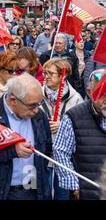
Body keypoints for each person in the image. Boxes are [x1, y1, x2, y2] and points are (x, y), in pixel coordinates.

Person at [0, 73, 52, 200]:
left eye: (38, 104)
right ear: (13, 100)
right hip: (0, 192)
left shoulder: (39, 116)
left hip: (32, 190)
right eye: (32, 105)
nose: (36, 110)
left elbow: (47, 148)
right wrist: (12, 151)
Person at [53, 69, 106, 200]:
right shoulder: (73, 117)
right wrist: (74, 185)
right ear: (89, 92)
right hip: (88, 191)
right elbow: (60, 151)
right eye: (101, 94)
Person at [40, 59, 83, 200]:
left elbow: (82, 127)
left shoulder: (75, 98)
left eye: (50, 73)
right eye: (45, 72)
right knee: (41, 192)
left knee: (62, 194)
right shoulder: (36, 94)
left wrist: (63, 126)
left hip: (64, 157)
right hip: (42, 153)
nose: (46, 76)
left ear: (62, 76)